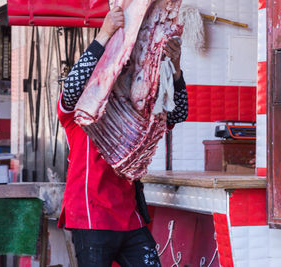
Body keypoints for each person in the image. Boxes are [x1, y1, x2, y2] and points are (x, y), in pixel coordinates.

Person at [57, 6, 188, 267]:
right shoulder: (78, 112)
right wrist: (104, 35)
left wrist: (176, 70)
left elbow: (177, 114)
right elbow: (71, 86)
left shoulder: (139, 111)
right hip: (90, 215)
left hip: (130, 217)